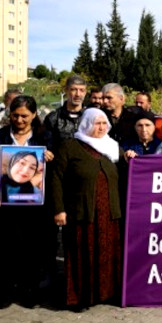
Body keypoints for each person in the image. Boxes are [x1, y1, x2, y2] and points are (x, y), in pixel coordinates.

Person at [0, 95, 54, 309]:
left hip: (34, 207)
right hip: (4, 206)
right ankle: (3, 292)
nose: (19, 120)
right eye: (15, 115)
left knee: (31, 250)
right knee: (4, 250)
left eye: (24, 116)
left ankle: (28, 291)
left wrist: (51, 158)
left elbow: (55, 173)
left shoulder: (45, 138)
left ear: (34, 115)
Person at [51, 108, 124, 311]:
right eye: (96, 123)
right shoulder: (70, 147)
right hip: (81, 212)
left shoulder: (113, 147)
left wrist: (132, 156)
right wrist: (59, 209)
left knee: (107, 253)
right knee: (81, 255)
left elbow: (130, 170)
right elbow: (56, 179)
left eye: (104, 124)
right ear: (86, 124)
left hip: (109, 214)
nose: (101, 128)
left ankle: (107, 293)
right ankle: (79, 297)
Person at [44, 75, 87, 151]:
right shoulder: (53, 118)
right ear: (66, 90)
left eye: (81, 90)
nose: (78, 94)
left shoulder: (91, 117)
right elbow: (46, 147)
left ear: (85, 92)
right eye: (74, 90)